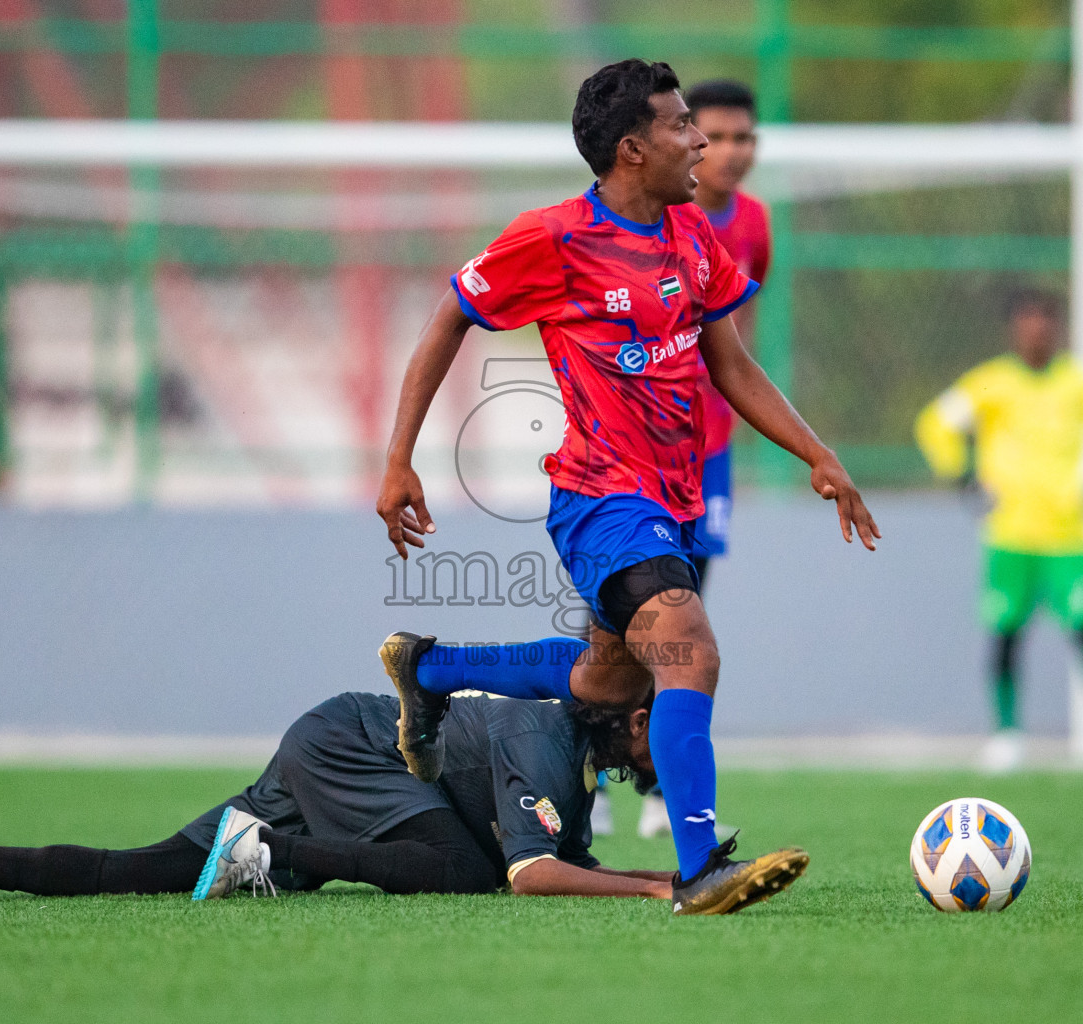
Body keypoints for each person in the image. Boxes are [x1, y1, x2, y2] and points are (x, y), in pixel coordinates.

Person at [374, 59, 877, 916]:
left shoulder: (693, 237)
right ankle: (700, 868)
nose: (703, 142)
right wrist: (398, 458)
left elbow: (731, 364)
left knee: (612, 687)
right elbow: (450, 314)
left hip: (671, 501)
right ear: (634, 149)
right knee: (692, 646)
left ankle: (432, 667)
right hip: (601, 497)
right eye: (686, 126)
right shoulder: (554, 237)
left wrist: (817, 453)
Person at [0, 690, 733, 904]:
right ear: (628, 720)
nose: (682, 743)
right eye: (671, 725)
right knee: (466, 869)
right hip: (348, 745)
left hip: (343, 757)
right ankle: (266, 855)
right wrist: (662, 890)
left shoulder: (570, 762)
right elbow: (532, 875)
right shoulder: (545, 737)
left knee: (147, 872)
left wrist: (672, 874)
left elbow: (567, 860)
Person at [914, 287, 1083, 775]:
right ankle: (1006, 735)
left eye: (1044, 322)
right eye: (1027, 323)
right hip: (1010, 534)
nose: (1036, 332)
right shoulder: (990, 384)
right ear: (1015, 330)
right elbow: (936, 423)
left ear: (1056, 328)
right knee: (1006, 634)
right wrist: (963, 475)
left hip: (1068, 534)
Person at [635, 77, 772, 842]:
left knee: (685, 600)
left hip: (707, 444)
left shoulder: (752, 223)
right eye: (714, 134)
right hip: (637, 443)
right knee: (631, 613)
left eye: (747, 137)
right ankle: (599, 763)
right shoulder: (658, 212)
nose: (730, 151)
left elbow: (737, 324)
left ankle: (657, 782)